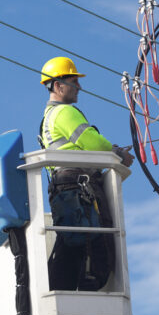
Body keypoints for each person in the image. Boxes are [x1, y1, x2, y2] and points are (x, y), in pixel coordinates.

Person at [37, 56, 134, 291]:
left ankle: (65, 293)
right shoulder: (65, 113)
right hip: (78, 188)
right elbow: (93, 143)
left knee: (74, 246)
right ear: (58, 86)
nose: (79, 87)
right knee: (95, 249)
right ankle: (82, 292)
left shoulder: (48, 118)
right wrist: (118, 154)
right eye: (74, 81)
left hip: (66, 189)